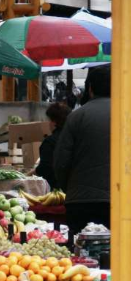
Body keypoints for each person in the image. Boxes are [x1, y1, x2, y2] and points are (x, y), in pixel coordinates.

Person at [55, 65, 111, 239]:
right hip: (120, 200)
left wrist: (70, 188)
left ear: (91, 89)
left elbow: (61, 161)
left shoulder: (76, 116)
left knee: (81, 257)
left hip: (80, 201)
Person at [35, 103, 71, 189]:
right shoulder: (74, 138)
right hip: (74, 188)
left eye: (49, 120)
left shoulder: (50, 142)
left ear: (54, 122)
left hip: (55, 190)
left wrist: (31, 174)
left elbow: (45, 168)